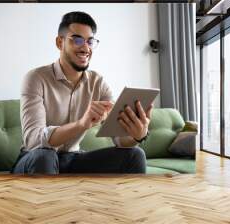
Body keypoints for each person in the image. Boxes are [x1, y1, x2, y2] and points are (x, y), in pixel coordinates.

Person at [12, 11, 152, 174]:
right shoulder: (35, 78)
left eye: (90, 41)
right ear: (60, 42)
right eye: (77, 40)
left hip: (72, 159)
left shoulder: (98, 83)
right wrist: (81, 125)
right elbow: (33, 140)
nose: (85, 48)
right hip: (33, 158)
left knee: (135, 155)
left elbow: (120, 140)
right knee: (45, 156)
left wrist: (137, 136)